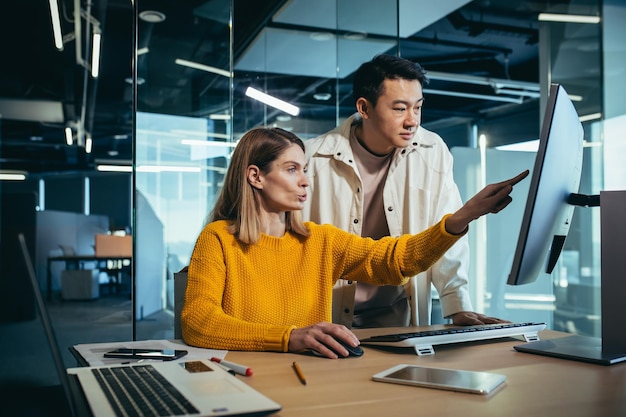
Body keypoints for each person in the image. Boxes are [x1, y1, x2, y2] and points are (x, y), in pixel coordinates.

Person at [181, 126, 528, 359]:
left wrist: (460, 218)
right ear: (255, 176)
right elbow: (199, 322)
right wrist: (289, 338)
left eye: (305, 170)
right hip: (244, 379)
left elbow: (395, 260)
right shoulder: (218, 240)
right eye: (291, 170)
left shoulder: (319, 241)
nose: (305, 181)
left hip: (310, 380)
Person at [303, 54, 497, 328]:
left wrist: (457, 305)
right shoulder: (313, 158)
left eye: (417, 108)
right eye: (399, 109)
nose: (412, 120)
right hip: (326, 320)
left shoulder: (432, 151)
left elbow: (444, 231)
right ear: (364, 108)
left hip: (398, 318)